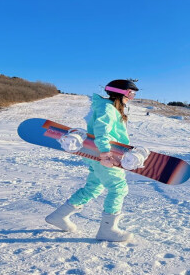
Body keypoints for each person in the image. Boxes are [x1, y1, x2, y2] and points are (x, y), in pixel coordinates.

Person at [45, 79, 139, 242]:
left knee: (93, 187)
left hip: (98, 154)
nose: (131, 97)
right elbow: (102, 131)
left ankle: (58, 216)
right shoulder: (108, 108)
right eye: (131, 93)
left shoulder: (110, 108)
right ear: (122, 93)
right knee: (118, 188)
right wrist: (105, 152)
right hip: (106, 155)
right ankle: (107, 230)